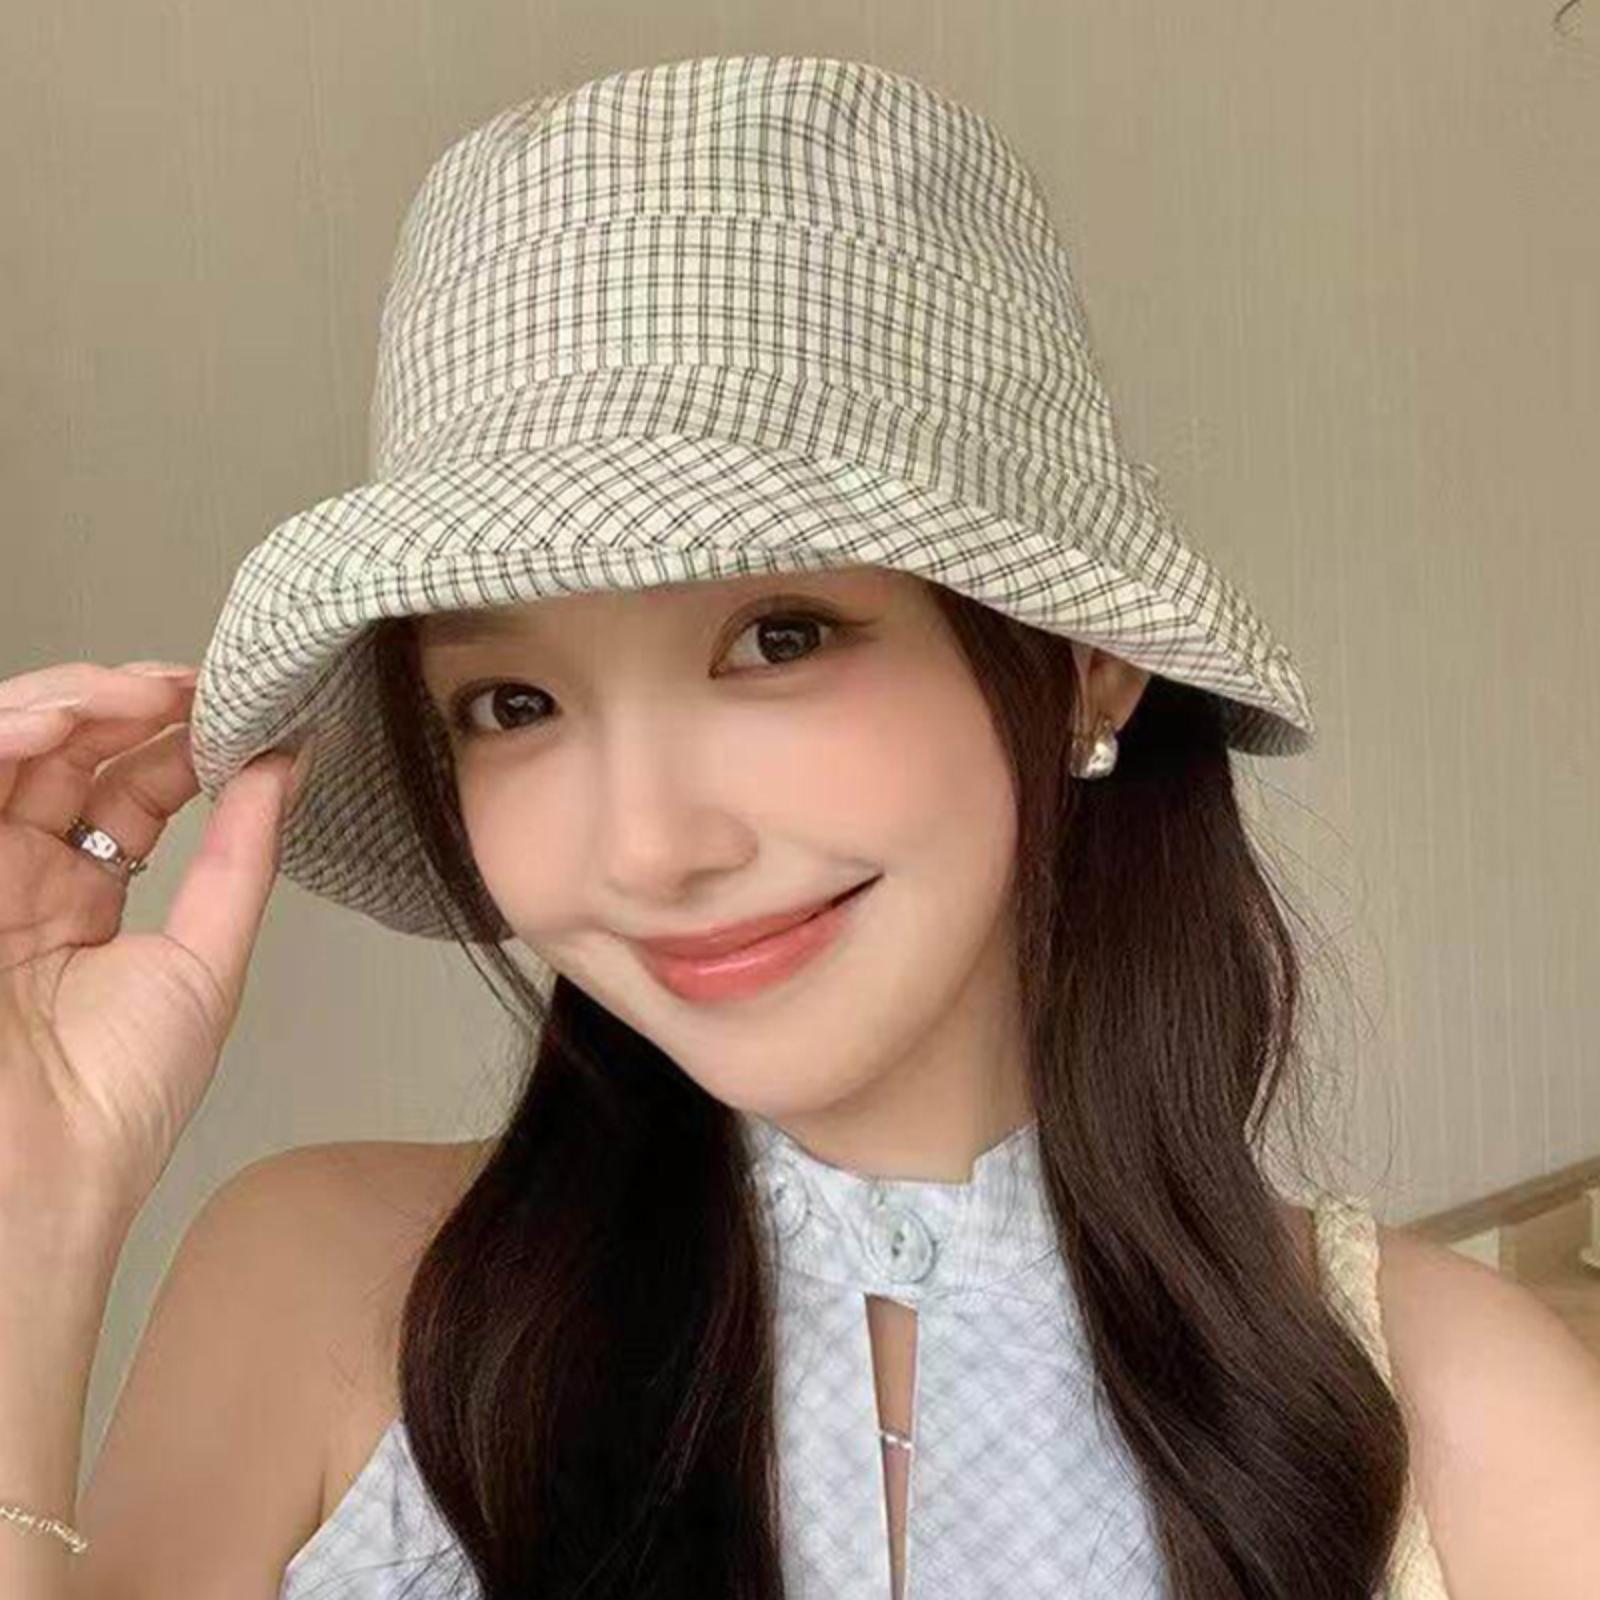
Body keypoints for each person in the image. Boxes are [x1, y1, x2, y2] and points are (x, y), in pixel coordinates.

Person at [7, 51, 1599, 1600]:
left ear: (1083, 662)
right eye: (513, 701)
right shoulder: (319, 1295)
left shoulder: (1481, 1429)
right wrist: (34, 1212)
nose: (649, 849)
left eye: (778, 637)